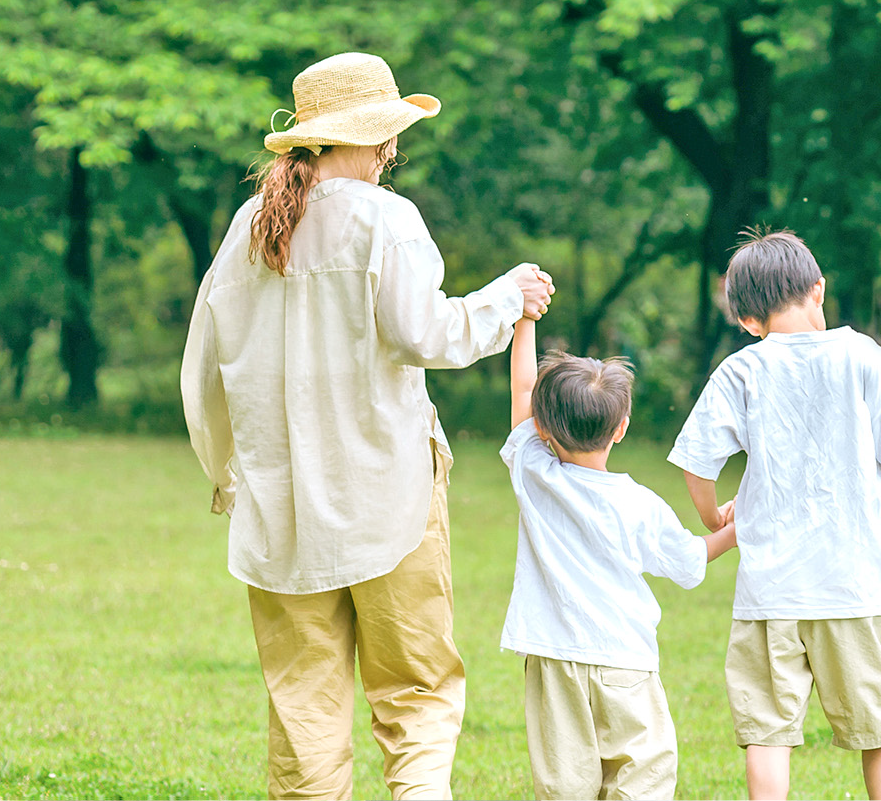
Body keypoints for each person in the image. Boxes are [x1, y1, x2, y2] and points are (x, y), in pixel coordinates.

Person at [179, 52, 555, 800]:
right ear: (382, 136)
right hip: (391, 494)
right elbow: (429, 335)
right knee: (415, 693)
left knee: (303, 708)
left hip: (278, 507)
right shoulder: (386, 218)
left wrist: (226, 472)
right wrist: (506, 297)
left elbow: (204, 367)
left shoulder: (248, 226)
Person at [668, 229, 881, 801]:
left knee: (768, 733)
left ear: (748, 321)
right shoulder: (865, 357)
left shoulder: (742, 370)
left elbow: (697, 463)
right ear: (818, 288)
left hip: (770, 589)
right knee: (879, 728)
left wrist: (713, 518)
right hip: (859, 586)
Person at [497, 317, 738, 800]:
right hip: (623, 659)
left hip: (553, 658)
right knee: (643, 772)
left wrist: (524, 319)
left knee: (565, 783)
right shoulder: (639, 504)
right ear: (622, 428)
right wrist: (733, 532)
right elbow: (690, 562)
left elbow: (523, 386)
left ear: (540, 426)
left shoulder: (533, 472)